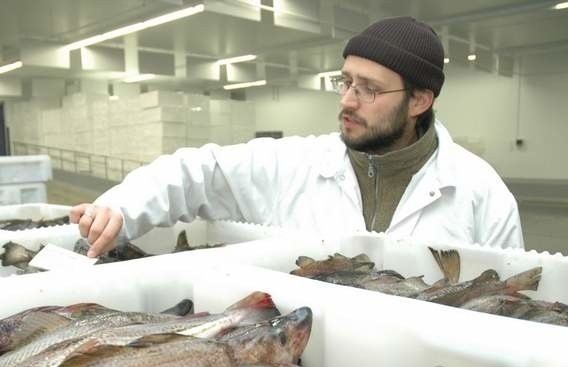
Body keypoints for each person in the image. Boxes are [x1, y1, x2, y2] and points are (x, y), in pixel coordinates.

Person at [71, 16, 524, 257]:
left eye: (369, 89)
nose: (348, 100)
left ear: (420, 101)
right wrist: (120, 209)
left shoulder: (481, 194)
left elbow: (511, 306)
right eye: (345, 81)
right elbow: (198, 170)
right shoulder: (295, 165)